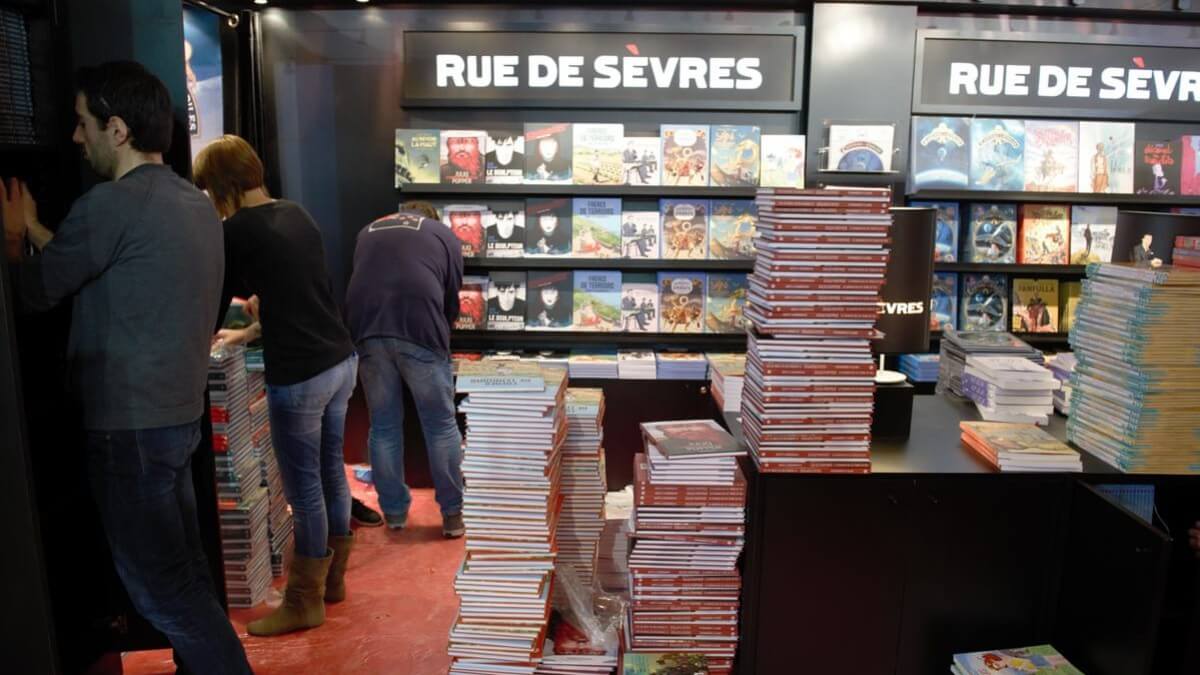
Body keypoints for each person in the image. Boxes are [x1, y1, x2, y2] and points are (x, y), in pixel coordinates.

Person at [1, 62, 252, 674]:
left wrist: (12, 239)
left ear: (116, 129)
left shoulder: (108, 205)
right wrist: (35, 228)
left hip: (129, 428)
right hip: (174, 418)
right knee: (185, 575)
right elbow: (98, 258)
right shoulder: (192, 204)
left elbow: (34, 292)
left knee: (162, 591)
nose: (75, 136)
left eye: (83, 123)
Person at [194, 135, 358, 637]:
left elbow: (212, 298)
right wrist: (251, 328)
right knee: (331, 473)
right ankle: (332, 581)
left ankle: (304, 601)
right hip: (340, 359)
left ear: (220, 184)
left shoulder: (235, 230)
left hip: (301, 373)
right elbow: (300, 294)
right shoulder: (295, 213)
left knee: (304, 491)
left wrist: (198, 340)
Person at [343, 200, 466, 536]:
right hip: (419, 328)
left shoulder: (367, 231)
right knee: (440, 424)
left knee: (383, 425)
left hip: (366, 329)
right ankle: (452, 514)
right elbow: (451, 294)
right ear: (431, 217)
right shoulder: (442, 233)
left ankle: (395, 513)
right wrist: (443, 331)